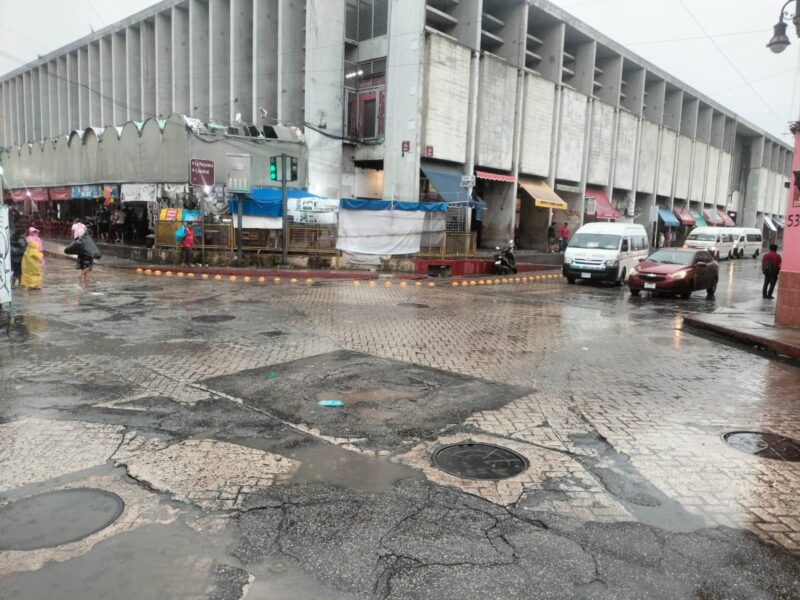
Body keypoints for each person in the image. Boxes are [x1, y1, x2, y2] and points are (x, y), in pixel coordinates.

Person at [65, 222, 101, 287]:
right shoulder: (87, 238)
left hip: (81, 255)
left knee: (85, 269)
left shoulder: (78, 239)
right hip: (88, 255)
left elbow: (70, 248)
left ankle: (86, 285)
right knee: (89, 267)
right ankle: (80, 276)